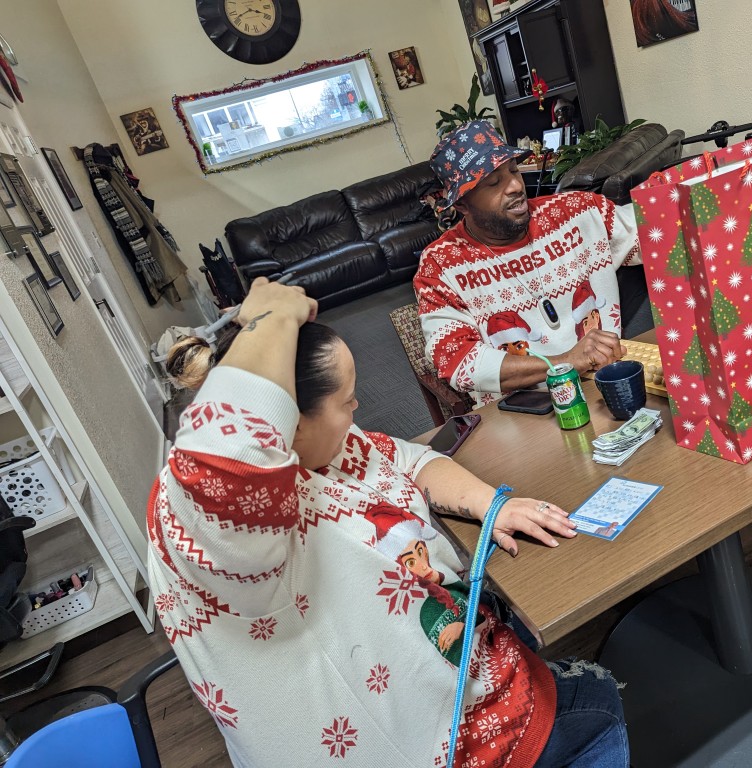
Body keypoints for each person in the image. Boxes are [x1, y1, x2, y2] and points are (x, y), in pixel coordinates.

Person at [149, 278, 629, 767]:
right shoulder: (210, 516)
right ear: (289, 418)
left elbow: (407, 459)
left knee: (521, 631)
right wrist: (269, 319)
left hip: (435, 669)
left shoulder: (325, 448)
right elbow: (227, 466)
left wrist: (491, 504)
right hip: (406, 743)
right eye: (346, 401)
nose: (357, 410)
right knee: (598, 702)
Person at [414, 120, 642, 406]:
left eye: (513, 170)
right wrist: (565, 362)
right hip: (524, 412)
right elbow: (458, 362)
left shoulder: (577, 212)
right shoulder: (440, 266)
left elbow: (657, 229)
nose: (515, 186)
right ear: (462, 204)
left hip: (609, 385)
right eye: (493, 183)